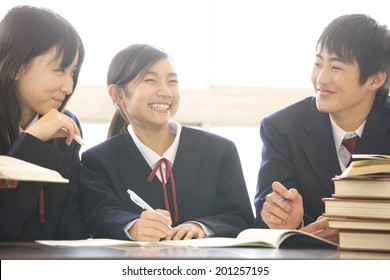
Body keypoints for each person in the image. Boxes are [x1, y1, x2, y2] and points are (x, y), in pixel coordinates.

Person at [79, 44, 254, 241]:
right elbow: (99, 217)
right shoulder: (98, 160)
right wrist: (134, 226)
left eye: (172, 81)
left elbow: (240, 218)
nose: (166, 92)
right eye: (150, 80)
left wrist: (202, 226)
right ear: (118, 95)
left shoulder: (220, 151)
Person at [254, 14, 390, 242]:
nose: (321, 78)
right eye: (318, 64)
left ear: (375, 80)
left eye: (336, 67)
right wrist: (290, 222)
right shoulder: (282, 128)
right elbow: (263, 214)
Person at [0, 5, 88, 240]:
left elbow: (71, 230)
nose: (68, 87)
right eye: (59, 70)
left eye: (73, 72)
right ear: (16, 67)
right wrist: (32, 142)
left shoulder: (66, 124)